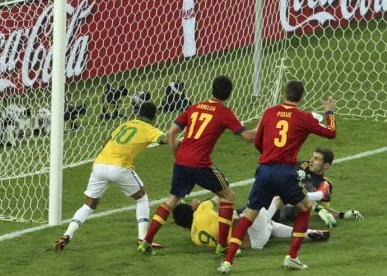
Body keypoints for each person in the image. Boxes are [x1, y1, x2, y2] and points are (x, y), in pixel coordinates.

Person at [218, 80, 337, 273]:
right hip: (285, 173)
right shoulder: (303, 117)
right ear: (301, 97)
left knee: (249, 215)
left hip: (264, 170)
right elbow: (331, 133)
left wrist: (267, 153)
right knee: (305, 208)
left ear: (285, 94)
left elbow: (257, 142)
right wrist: (329, 112)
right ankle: (292, 257)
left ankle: (228, 262)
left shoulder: (269, 112)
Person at [137, 75, 256, 255]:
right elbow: (249, 137)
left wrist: (176, 154)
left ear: (212, 89)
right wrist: (263, 120)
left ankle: (146, 241)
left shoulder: (195, 107)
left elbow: (171, 133)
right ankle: (223, 245)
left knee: (173, 199)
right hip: (200, 163)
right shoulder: (224, 112)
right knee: (228, 196)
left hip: (182, 161)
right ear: (229, 94)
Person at [54, 102, 169, 250]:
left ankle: (67, 235)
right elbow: (163, 139)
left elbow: (105, 143)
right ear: (155, 117)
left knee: (88, 204)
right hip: (119, 167)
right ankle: (143, 239)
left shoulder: (125, 125)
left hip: (99, 165)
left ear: (138, 114)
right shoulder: (149, 129)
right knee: (141, 197)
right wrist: (180, 141)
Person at [172, 196, 329, 250]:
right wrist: (199, 203)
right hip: (252, 230)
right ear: (191, 211)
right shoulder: (201, 211)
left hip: (254, 244)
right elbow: (221, 195)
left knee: (271, 225)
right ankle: (320, 194)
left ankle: (309, 233)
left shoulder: (194, 239)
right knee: (276, 197)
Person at [275, 148, 364, 227]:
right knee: (305, 185)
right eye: (312, 157)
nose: (311, 160)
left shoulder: (326, 184)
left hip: (285, 215)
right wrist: (317, 208)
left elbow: (324, 209)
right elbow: (294, 191)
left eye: (316, 159)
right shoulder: (302, 166)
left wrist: (343, 215)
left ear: (325, 166)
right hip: (274, 204)